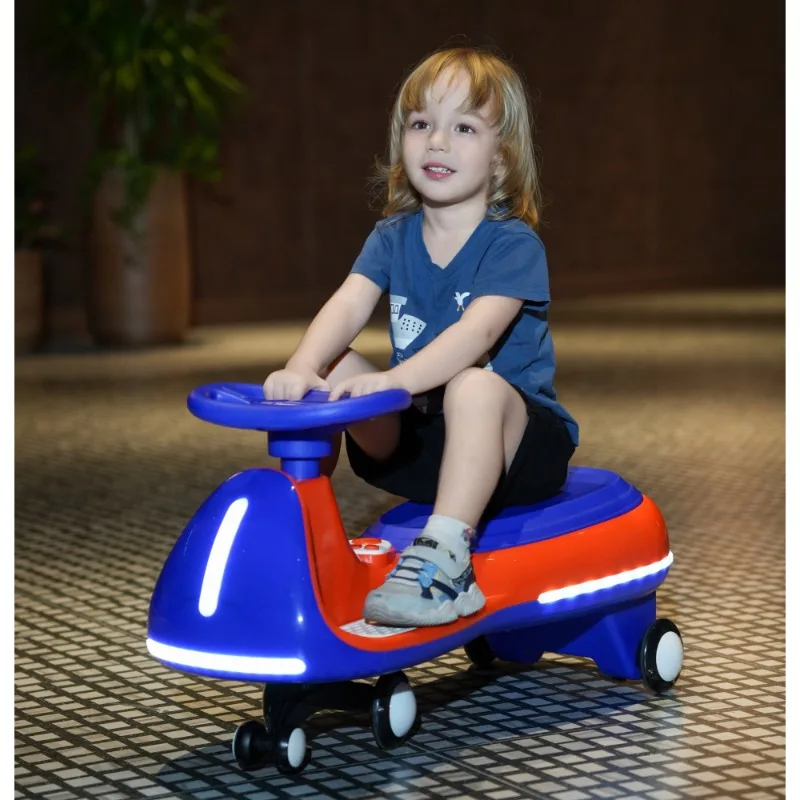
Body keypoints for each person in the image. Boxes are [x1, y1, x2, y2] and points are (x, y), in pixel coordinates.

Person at [263, 46, 579, 628]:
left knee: (472, 385)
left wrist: (396, 381)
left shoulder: (512, 245)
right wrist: (304, 366)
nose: (437, 141)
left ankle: (447, 561)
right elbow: (349, 301)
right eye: (421, 124)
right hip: (419, 445)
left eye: (463, 127)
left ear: (502, 161)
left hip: (516, 447)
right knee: (338, 367)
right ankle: (302, 530)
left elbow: (475, 333)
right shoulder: (392, 235)